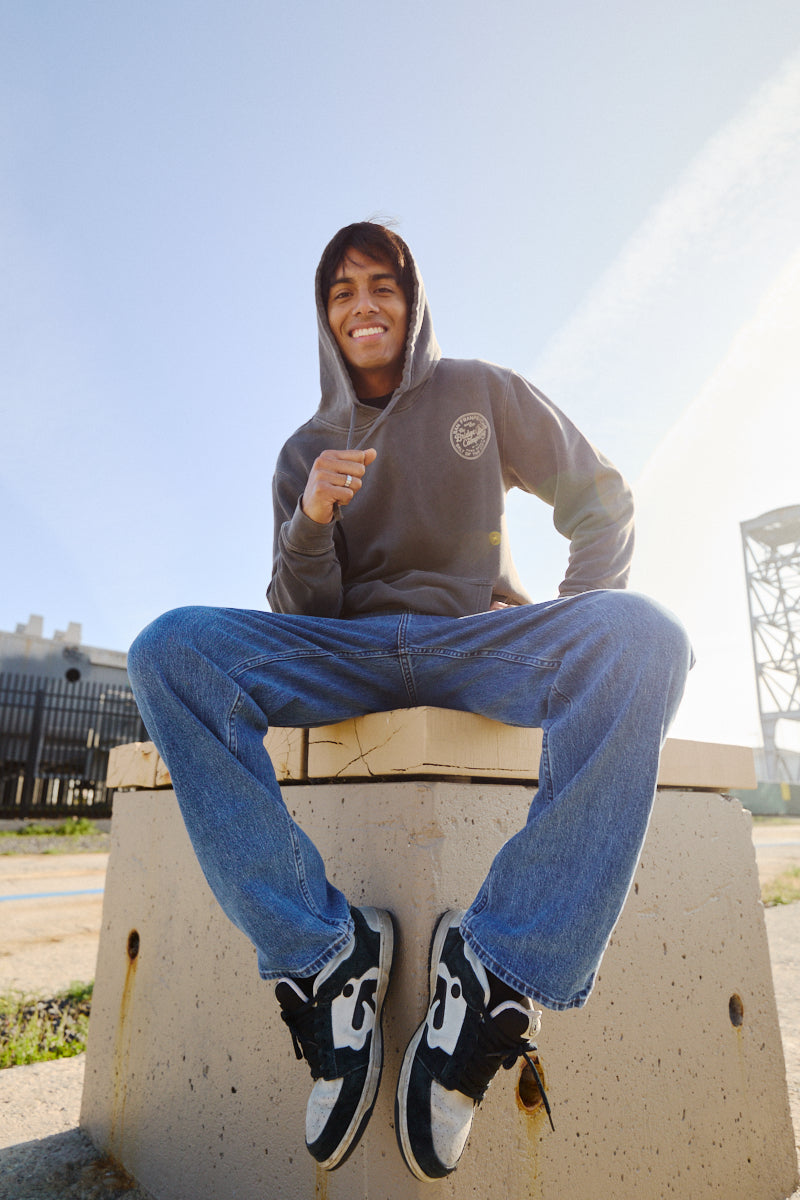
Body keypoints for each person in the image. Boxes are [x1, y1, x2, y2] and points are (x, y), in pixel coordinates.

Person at [128, 221, 692, 1181]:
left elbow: (601, 498)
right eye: (343, 293)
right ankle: (323, 953)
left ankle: (495, 972)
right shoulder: (305, 448)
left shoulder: (479, 391)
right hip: (346, 649)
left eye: (381, 286)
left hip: (475, 639)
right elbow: (299, 612)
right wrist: (311, 523)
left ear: (412, 299)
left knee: (645, 637)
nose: (364, 306)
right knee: (170, 649)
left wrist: (571, 612)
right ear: (325, 318)